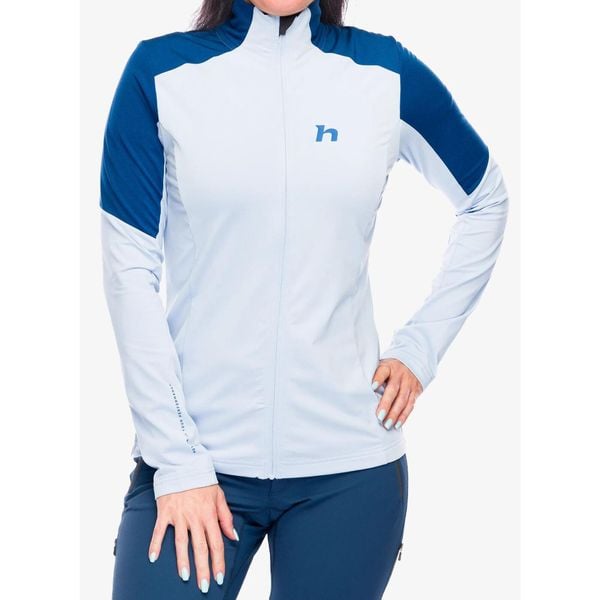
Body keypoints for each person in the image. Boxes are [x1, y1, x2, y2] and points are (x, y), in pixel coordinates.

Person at [100, 0, 509, 598]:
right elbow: (130, 273)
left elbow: (486, 201)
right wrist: (177, 460)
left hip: (349, 471)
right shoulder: (160, 74)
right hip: (196, 458)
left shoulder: (384, 73)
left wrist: (420, 348)